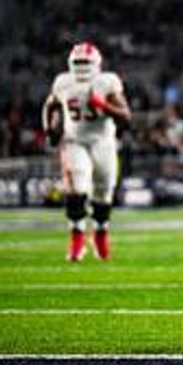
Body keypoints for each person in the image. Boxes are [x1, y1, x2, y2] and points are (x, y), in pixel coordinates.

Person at [42, 42, 131, 261]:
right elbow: (50, 105)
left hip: (103, 141)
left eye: (85, 62)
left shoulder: (106, 81)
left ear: (96, 63)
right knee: (77, 188)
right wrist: (50, 128)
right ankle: (77, 237)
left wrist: (103, 104)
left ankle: (100, 233)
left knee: (104, 191)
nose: (82, 67)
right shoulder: (63, 82)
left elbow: (125, 116)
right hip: (74, 140)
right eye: (78, 62)